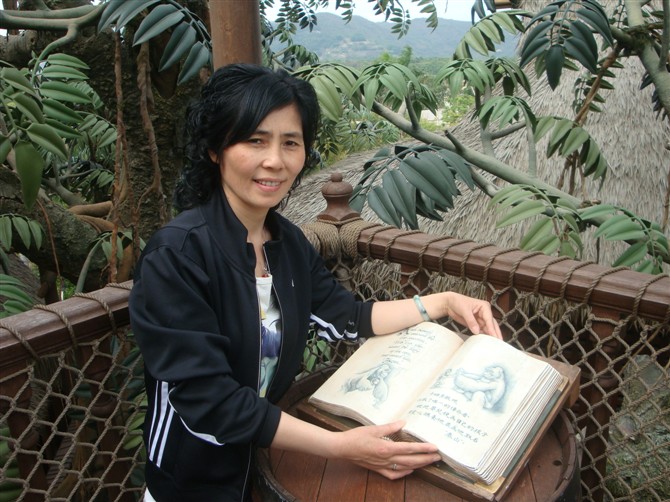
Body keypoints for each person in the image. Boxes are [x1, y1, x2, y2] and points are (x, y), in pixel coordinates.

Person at [129, 63, 503, 502]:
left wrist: (442, 302)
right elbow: (209, 401)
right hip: (190, 483)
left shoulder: (286, 243)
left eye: (291, 142)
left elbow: (348, 317)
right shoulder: (178, 255)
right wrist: (342, 447)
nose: (275, 160)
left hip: (264, 468)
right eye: (255, 140)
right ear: (216, 149)